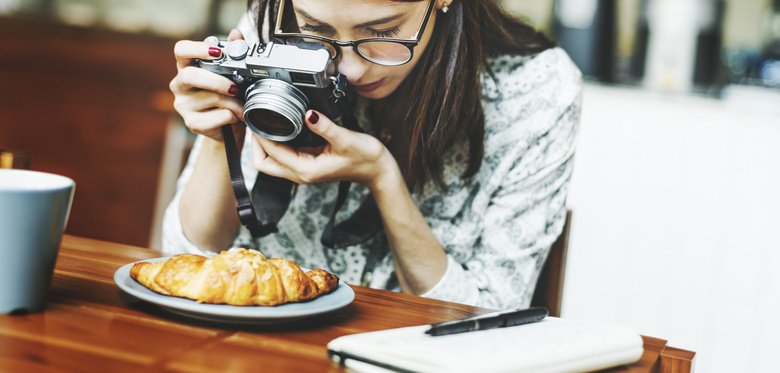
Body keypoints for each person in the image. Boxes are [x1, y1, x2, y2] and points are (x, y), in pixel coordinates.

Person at [163, 0, 582, 310]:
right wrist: (224, 135)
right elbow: (184, 262)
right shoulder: (274, 30)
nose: (349, 69)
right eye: (316, 28)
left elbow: (489, 322)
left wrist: (383, 177)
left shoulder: (537, 92)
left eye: (382, 32)